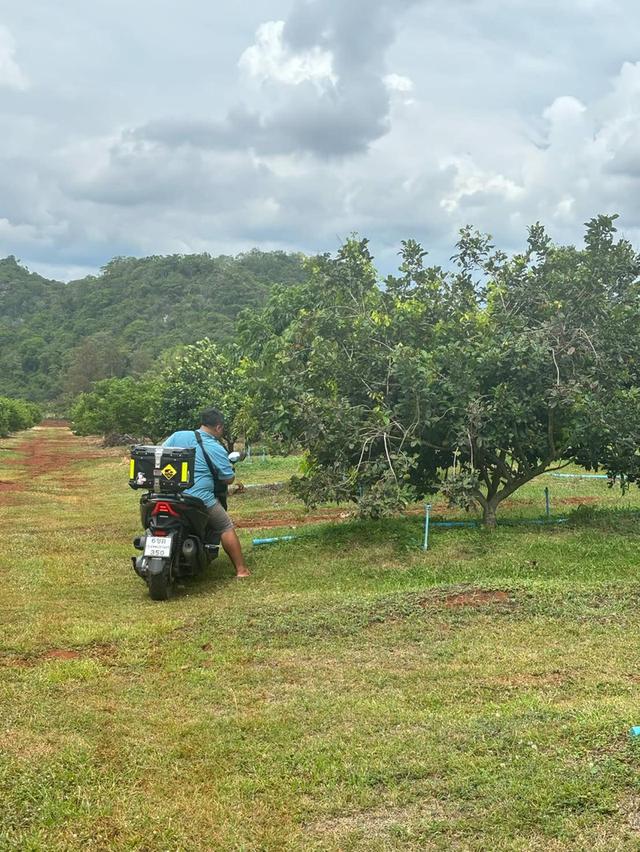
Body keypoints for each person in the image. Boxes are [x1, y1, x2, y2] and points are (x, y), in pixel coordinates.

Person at [163, 407, 250, 578]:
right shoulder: (215, 447)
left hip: (169, 494)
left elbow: (160, 454)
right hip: (198, 498)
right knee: (225, 526)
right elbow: (228, 479)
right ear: (218, 427)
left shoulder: (177, 436)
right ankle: (241, 570)